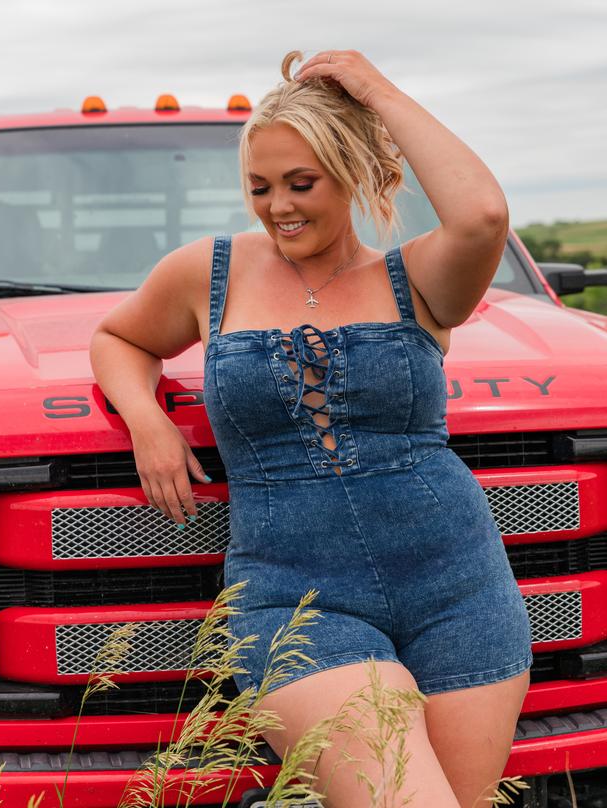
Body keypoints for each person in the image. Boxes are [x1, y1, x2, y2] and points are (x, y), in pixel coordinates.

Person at [90, 49, 532, 808]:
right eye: (259, 187)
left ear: (351, 174)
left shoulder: (418, 277)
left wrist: (373, 89)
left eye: (302, 183)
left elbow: (483, 213)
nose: (277, 206)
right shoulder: (210, 271)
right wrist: (145, 416)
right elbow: (119, 338)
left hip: (460, 589)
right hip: (295, 600)